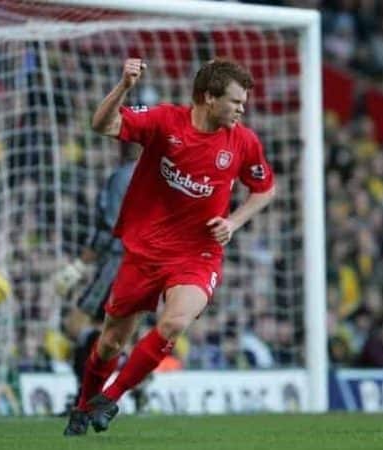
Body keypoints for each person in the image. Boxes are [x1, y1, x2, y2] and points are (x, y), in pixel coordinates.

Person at [63, 57, 276, 436]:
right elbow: (102, 125)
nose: (242, 110)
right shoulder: (164, 121)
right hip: (145, 250)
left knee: (174, 322)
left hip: (199, 254)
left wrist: (233, 222)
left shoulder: (244, 141)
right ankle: (84, 407)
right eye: (236, 102)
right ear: (209, 98)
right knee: (110, 342)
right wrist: (124, 87)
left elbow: (264, 189)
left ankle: (111, 397)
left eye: (244, 103)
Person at [53, 142, 140, 409]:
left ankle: (88, 395)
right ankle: (127, 388)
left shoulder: (124, 176)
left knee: (75, 327)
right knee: (114, 331)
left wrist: (79, 265)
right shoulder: (152, 174)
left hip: (117, 262)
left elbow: (111, 228)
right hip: (138, 264)